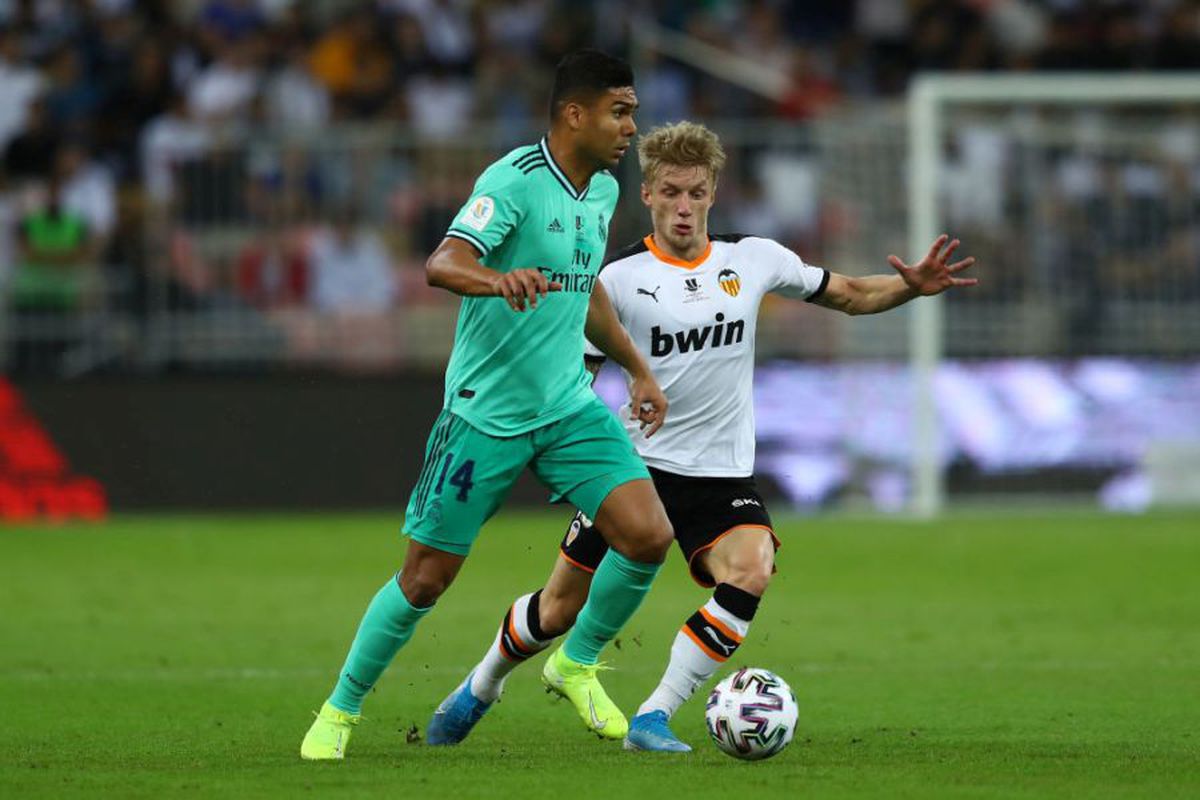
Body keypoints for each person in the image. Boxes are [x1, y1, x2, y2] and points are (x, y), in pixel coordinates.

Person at [426, 121, 978, 751]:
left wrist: (911, 285)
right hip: (635, 471)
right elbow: (574, 379)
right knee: (558, 610)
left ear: (714, 191)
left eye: (694, 192)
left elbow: (849, 294)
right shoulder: (616, 280)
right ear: (649, 196)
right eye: (669, 192)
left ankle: (653, 716)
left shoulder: (755, 259)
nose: (683, 207)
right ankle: (483, 683)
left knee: (752, 568)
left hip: (721, 474)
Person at [300, 50, 675, 760]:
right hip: (485, 417)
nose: (631, 127)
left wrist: (637, 370)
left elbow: (585, 289)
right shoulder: (512, 182)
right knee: (426, 578)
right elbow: (442, 263)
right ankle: (340, 711)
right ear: (575, 114)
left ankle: (575, 664)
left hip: (568, 407)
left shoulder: (599, 193)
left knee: (648, 535)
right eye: (619, 111)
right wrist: (498, 279)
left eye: (631, 110)